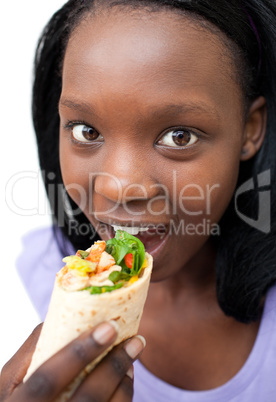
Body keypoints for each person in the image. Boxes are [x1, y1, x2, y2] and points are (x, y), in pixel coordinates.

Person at [1, 0, 276, 400]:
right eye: (86, 132)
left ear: (250, 129)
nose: (120, 188)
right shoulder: (49, 273)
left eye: (179, 136)